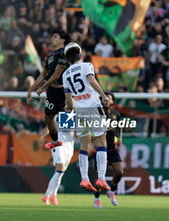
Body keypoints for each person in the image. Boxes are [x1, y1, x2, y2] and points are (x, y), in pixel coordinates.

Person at [62, 42, 110, 192]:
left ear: (68, 59)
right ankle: (101, 178)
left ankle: (84, 178)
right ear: (80, 54)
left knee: (84, 144)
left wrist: (71, 109)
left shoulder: (65, 74)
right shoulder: (87, 66)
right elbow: (91, 80)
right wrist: (103, 96)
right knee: (101, 141)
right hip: (93, 106)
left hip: (79, 110)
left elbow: (69, 100)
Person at [27, 29, 70, 150]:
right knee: (48, 116)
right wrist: (31, 90)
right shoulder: (49, 56)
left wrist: (42, 88)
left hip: (64, 90)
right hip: (52, 91)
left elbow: (57, 75)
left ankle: (80, 140)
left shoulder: (64, 53)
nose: (52, 38)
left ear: (62, 40)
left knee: (67, 116)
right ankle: (55, 141)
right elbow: (43, 75)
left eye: (55, 36)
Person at [93, 92, 124, 209]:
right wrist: (92, 139)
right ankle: (97, 198)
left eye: (108, 99)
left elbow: (119, 126)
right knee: (99, 178)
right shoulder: (96, 113)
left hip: (112, 148)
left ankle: (112, 191)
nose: (105, 101)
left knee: (120, 171)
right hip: (101, 149)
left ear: (112, 102)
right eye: (104, 99)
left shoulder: (116, 114)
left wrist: (120, 137)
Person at [41, 118, 75, 205]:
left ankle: (46, 196)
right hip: (58, 142)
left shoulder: (75, 114)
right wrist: (42, 135)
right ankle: (53, 195)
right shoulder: (58, 114)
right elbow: (49, 125)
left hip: (70, 145)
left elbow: (78, 132)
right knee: (61, 168)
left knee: (60, 173)